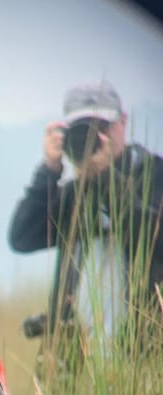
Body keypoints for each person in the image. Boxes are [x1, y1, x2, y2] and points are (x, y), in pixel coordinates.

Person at [8, 81, 163, 360]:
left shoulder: (155, 176)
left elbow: (155, 238)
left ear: (122, 123)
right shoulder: (72, 193)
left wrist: (106, 177)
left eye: (100, 127)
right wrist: (49, 170)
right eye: (81, 131)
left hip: (146, 358)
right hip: (75, 363)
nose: (92, 139)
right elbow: (21, 238)